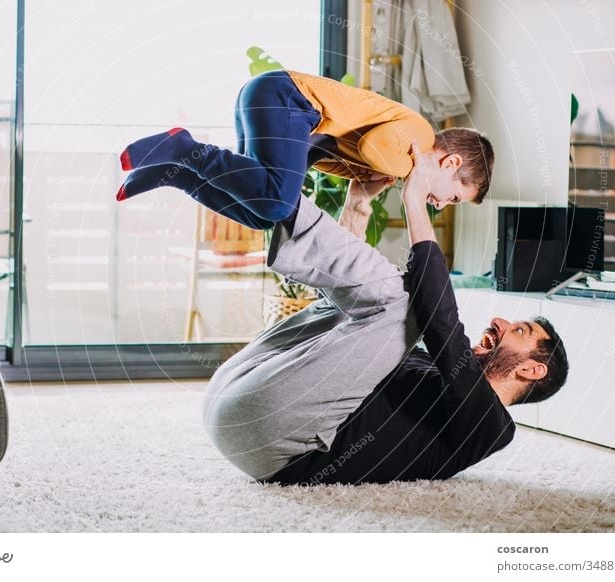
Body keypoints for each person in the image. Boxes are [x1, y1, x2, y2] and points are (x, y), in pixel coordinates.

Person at [199, 141, 569, 484]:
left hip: (277, 442)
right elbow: (348, 318)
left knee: (411, 306)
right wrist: (357, 204)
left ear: (531, 369)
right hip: (232, 391)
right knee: (361, 310)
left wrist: (415, 199)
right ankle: (261, 186)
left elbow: (443, 327)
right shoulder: (423, 364)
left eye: (520, 331)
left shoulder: (491, 427)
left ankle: (282, 193)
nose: (500, 323)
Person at [116, 69, 494, 230]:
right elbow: (372, 144)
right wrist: (412, 171)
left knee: (265, 214)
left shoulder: (402, 158)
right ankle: (184, 149)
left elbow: (328, 158)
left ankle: (178, 174)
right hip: (286, 98)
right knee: (278, 202)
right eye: (454, 197)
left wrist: (365, 183)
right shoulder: (419, 136)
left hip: (283, 110)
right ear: (450, 162)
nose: (442, 205)